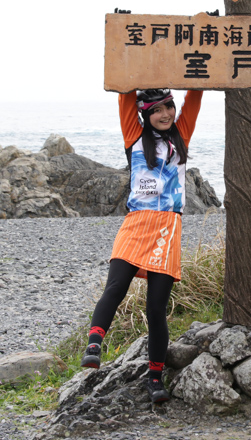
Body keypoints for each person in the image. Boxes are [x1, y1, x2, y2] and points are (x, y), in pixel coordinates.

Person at [80, 88, 203, 404]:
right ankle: (94, 345)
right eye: (157, 110)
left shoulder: (181, 134)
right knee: (115, 286)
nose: (165, 115)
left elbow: (196, 93)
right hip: (135, 223)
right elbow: (125, 94)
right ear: (145, 115)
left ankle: (155, 377)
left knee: (156, 307)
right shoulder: (134, 136)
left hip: (166, 227)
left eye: (169, 107)